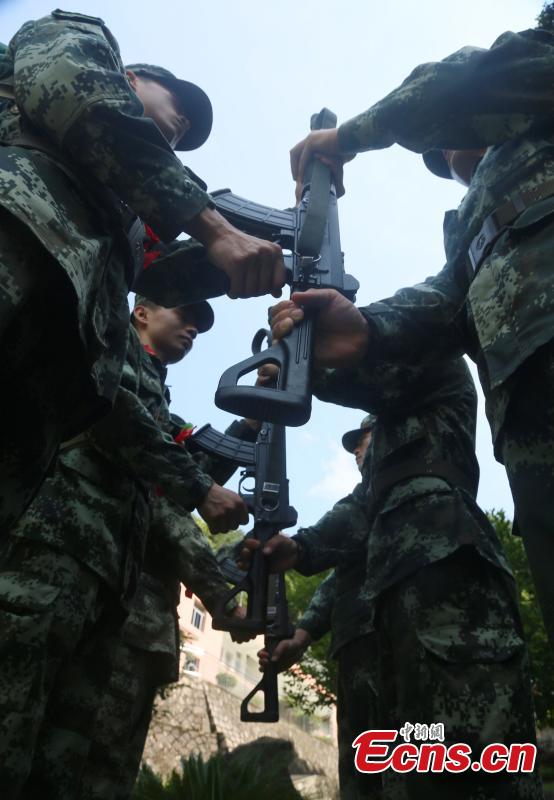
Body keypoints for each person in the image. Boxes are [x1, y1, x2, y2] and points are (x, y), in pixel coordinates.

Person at [287, 24, 554, 643]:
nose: (447, 153)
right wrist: (365, 328)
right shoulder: (473, 223)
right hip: (529, 424)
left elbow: (461, 85)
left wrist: (347, 137)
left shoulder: (535, 100)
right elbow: (444, 302)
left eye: (447, 140)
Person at [0, 9, 285, 534]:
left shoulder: (123, 213)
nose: (185, 126)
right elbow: (79, 93)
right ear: (131, 78)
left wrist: (279, 256)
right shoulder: (79, 39)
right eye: (179, 105)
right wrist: (215, 228)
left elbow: (160, 274)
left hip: (43, 381)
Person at [242, 356, 543, 799]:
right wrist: (303, 618)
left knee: (467, 764)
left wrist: (300, 366)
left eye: (363, 439)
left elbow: (382, 350)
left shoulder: (432, 386)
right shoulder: (372, 502)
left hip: (442, 604)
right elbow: (345, 567)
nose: (358, 451)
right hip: (378, 636)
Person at [0, 294, 261, 798]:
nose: (193, 329)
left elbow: (184, 471)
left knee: (59, 763)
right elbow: (134, 437)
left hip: (105, 584)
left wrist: (253, 415)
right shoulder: (111, 345)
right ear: (142, 312)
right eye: (184, 315)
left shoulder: (156, 397)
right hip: (55, 553)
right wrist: (217, 580)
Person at [259, 415, 382, 800]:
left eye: (364, 438)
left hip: (400, 644)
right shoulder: (366, 497)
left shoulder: (394, 486)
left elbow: (354, 519)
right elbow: (343, 578)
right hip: (360, 651)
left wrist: (299, 548)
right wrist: (301, 637)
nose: (356, 450)